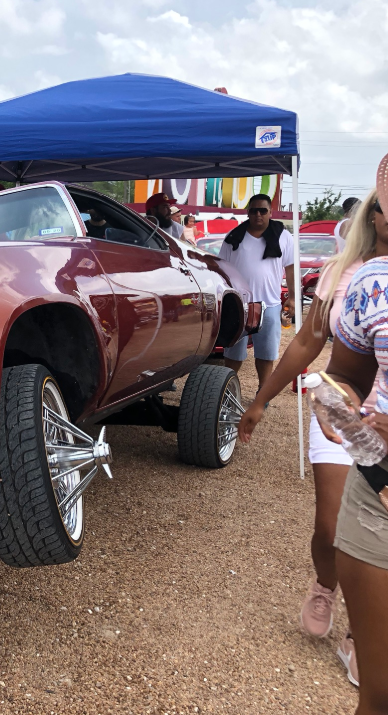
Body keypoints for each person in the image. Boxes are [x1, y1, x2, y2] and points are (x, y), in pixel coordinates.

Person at [240, 188, 388, 688]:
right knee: (330, 527)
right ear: (375, 214)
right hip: (343, 414)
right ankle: (326, 583)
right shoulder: (346, 273)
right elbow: (307, 340)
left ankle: (360, 635)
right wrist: (261, 401)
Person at [321, 187, 388, 711]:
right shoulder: (370, 282)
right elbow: (347, 374)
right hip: (378, 487)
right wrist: (338, 402)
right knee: (379, 693)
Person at [218, 194, 296, 393]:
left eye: (263, 210)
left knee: (266, 353)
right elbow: (221, 270)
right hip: (239, 305)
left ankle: (264, 391)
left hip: (269, 304)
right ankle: (229, 390)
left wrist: (293, 297)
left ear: (271, 212)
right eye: (254, 210)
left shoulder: (283, 236)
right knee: (233, 352)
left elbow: (291, 269)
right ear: (248, 213)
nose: (258, 215)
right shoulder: (233, 238)